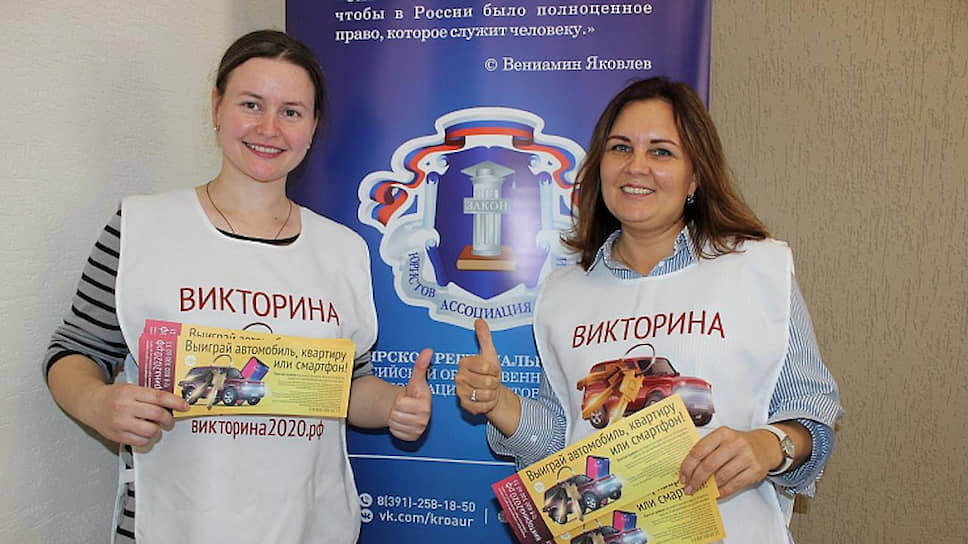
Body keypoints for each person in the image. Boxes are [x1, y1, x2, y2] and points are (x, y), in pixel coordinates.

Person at [44, 30, 432, 544]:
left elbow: (348, 387)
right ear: (217, 107)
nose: (269, 129)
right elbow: (74, 350)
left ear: (313, 126)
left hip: (309, 526)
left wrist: (395, 407)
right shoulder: (141, 228)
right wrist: (97, 403)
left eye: (291, 112)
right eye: (251, 104)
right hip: (172, 524)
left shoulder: (342, 251)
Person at [455, 77, 843, 542]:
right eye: (621, 148)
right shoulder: (562, 293)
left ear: (695, 176)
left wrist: (770, 445)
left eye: (661, 151)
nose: (636, 167)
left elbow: (814, 416)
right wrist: (499, 402)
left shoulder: (759, 269)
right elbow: (564, 444)